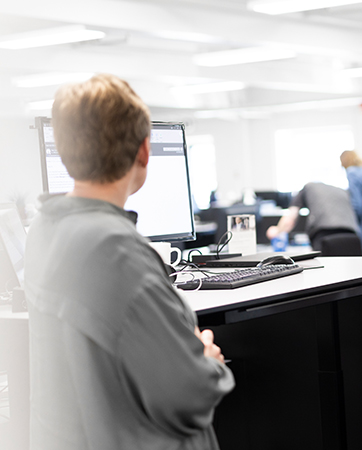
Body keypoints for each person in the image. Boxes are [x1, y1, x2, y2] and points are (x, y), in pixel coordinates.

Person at [24, 74, 235, 450]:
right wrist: (206, 359)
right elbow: (187, 393)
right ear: (143, 152)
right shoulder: (115, 249)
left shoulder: (45, 229)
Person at [267, 182, 360, 253]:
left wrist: (277, 230)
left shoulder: (307, 188)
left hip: (325, 235)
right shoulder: (341, 190)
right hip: (352, 235)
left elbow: (290, 218)